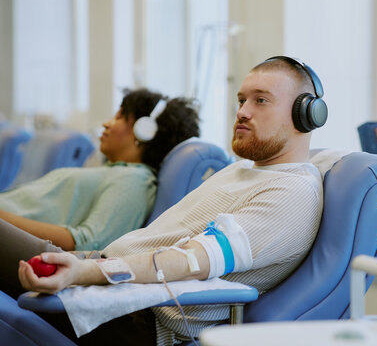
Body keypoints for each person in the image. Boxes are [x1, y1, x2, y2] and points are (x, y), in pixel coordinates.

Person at [18, 56, 327, 346]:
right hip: (109, 281)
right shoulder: (242, 171)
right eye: (241, 100)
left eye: (260, 100)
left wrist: (83, 272)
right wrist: (86, 264)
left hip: (139, 313)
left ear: (306, 115)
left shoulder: (293, 192)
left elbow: (191, 261)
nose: (243, 111)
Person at [0, 88, 200, 294]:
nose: (107, 123)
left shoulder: (135, 181)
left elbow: (89, 243)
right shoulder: (116, 172)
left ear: (144, 130)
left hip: (40, 253)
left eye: (120, 117)